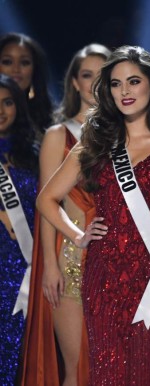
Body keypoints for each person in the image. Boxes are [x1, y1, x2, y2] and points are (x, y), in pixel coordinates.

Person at [36, 45, 150, 385]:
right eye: (116, 84)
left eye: (133, 81)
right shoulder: (96, 142)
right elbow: (47, 200)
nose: (125, 91)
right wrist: (77, 235)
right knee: (109, 375)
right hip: (103, 277)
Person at [20, 43, 111, 386]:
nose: (94, 83)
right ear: (74, 82)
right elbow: (47, 206)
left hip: (119, 259)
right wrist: (50, 267)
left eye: (103, 75)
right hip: (73, 257)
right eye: (87, 75)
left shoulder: (128, 134)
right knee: (77, 367)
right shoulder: (58, 136)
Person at [0, 74, 38, 384]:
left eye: (8, 102)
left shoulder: (34, 154)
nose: (1, 110)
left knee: (21, 355)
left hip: (26, 273)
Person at [0, 32, 53, 141]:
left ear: (35, 70)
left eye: (24, 63)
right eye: (7, 62)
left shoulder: (51, 123)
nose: (15, 69)